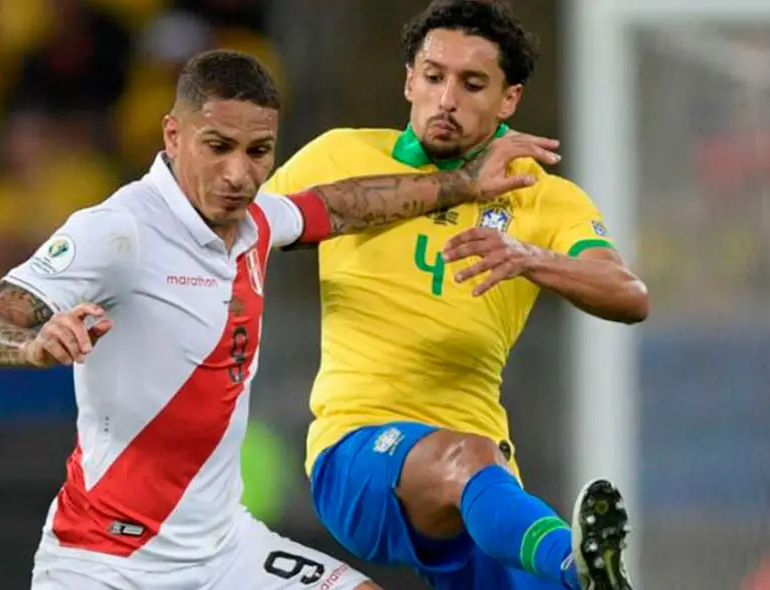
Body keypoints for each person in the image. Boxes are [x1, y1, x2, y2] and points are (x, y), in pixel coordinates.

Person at [0, 49, 562, 590]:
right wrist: (30, 343)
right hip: (107, 560)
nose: (239, 174)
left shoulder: (256, 223)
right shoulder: (119, 229)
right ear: (173, 136)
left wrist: (461, 183)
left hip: (224, 552)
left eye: (258, 151)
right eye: (218, 147)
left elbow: (339, 205)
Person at [263, 1, 650, 589]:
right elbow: (245, 234)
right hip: (357, 451)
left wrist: (531, 257)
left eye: (473, 84)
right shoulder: (342, 156)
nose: (447, 99)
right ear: (409, 81)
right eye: (434, 76)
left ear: (509, 100)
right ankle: (575, 568)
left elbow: (628, 295)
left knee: (483, 480)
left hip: (487, 486)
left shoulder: (541, 197)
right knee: (478, 473)